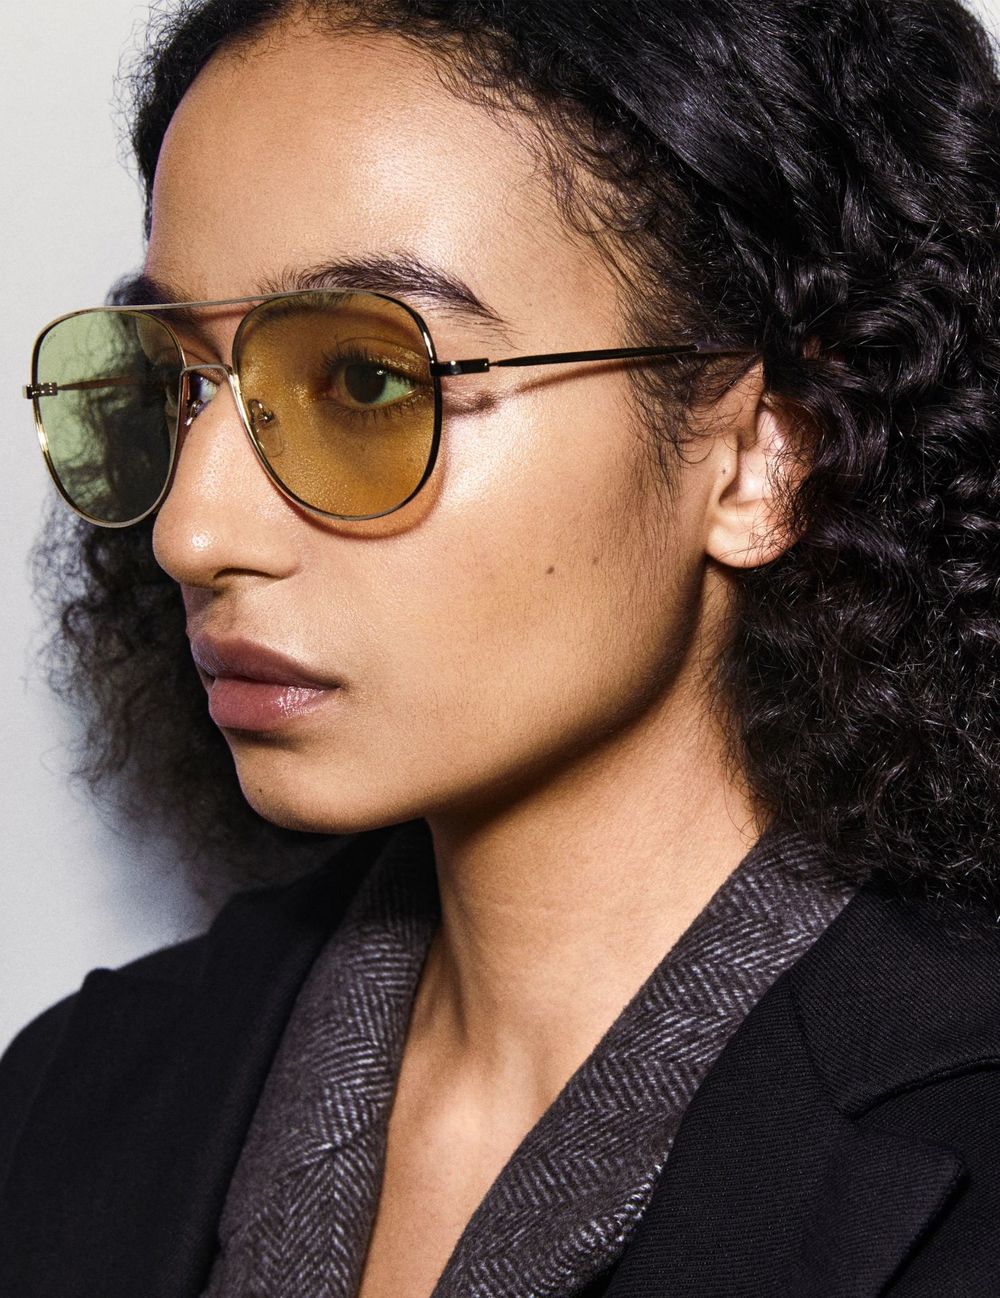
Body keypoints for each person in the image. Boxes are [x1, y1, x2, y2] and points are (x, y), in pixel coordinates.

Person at [3, 0, 1000, 1293]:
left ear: (765, 456)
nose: (192, 529)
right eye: (184, 383)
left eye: (368, 381)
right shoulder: (71, 1100)